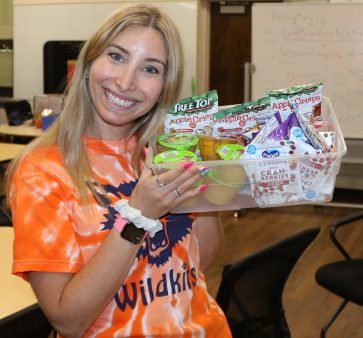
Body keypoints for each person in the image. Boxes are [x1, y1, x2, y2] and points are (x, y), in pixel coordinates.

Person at [6, 3, 232, 338]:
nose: (126, 82)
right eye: (116, 56)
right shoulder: (42, 172)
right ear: (88, 63)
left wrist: (208, 187)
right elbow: (68, 320)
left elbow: (199, 263)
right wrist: (138, 215)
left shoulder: (162, 152)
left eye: (150, 69)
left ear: (164, 88)